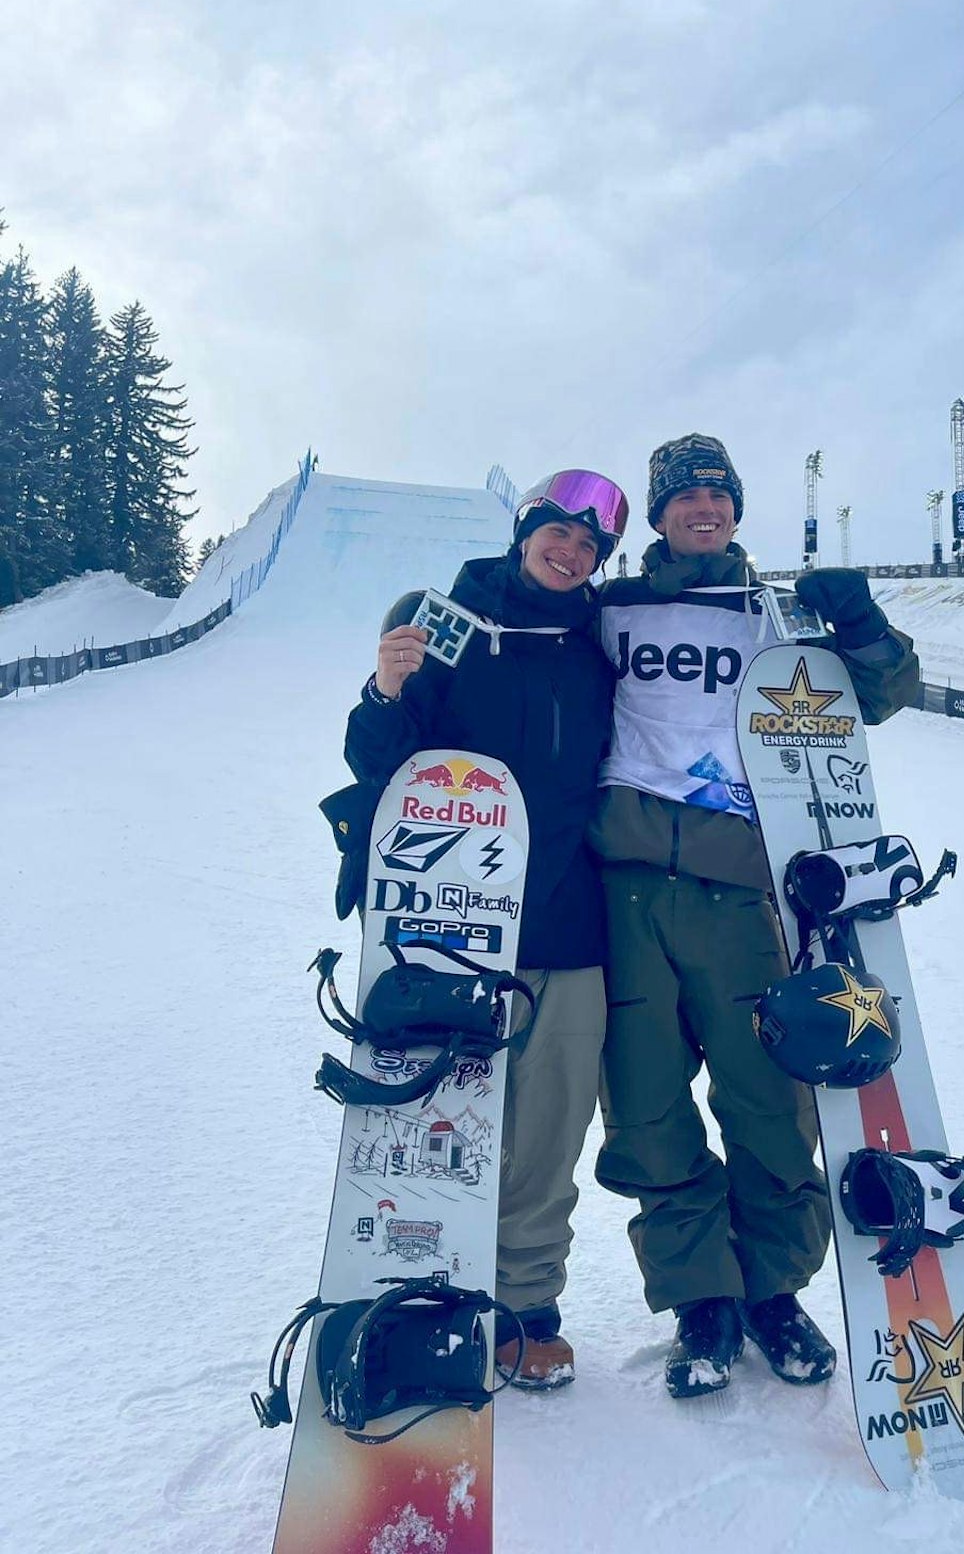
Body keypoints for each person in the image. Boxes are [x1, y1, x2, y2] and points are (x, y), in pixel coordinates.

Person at [589, 434, 920, 1399]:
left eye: (719, 494)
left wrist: (859, 623)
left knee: (769, 1103)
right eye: (685, 494)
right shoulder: (609, 611)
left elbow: (882, 696)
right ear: (655, 516)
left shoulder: (772, 614)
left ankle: (774, 1288)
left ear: (736, 510)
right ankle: (702, 1298)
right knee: (646, 1109)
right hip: (629, 884)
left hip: (744, 890)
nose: (705, 507)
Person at [339, 469, 627, 1390]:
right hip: (456, 917)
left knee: (547, 1131)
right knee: (442, 1114)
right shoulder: (451, 627)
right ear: (525, 530)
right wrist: (385, 693)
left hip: (568, 920)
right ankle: (420, 1285)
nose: (572, 551)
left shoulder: (600, 646)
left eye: (591, 547)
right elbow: (379, 765)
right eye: (559, 533)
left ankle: (526, 1301)